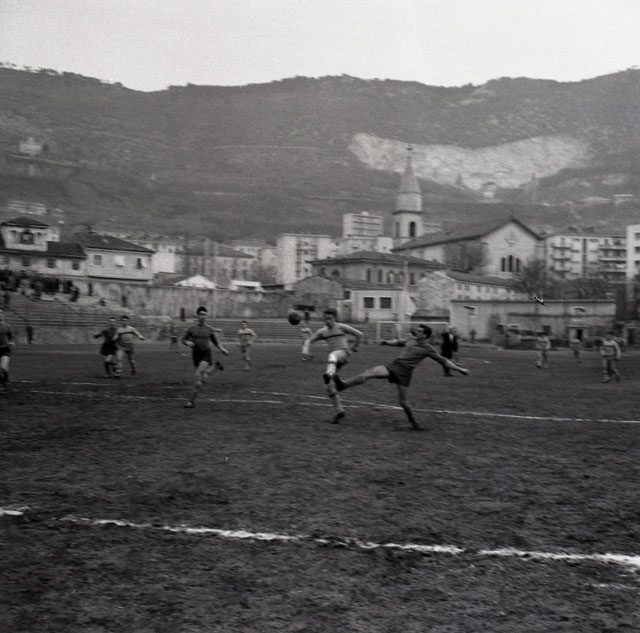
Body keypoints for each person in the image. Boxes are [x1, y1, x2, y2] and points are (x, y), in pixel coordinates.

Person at [333, 324, 469, 430]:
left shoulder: (428, 348)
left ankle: (414, 423)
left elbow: (444, 361)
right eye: (417, 330)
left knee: (403, 402)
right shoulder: (411, 339)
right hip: (394, 366)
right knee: (370, 373)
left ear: (425, 335)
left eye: (419, 331)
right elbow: (399, 342)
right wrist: (386, 342)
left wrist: (460, 369)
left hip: (405, 373)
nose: (416, 332)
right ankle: (343, 384)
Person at [307, 308, 362, 423]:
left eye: (330, 318)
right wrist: (306, 348)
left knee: (332, 355)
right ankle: (339, 411)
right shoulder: (323, 331)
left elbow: (358, 334)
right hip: (334, 361)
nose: (328, 321)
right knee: (328, 386)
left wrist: (355, 347)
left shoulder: (341, 327)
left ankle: (330, 374)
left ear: (335, 318)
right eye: (326, 319)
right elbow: (310, 340)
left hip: (343, 354)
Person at [181, 306, 229, 408]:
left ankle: (191, 401)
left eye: (205, 315)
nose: (204, 316)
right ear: (197, 315)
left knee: (198, 375)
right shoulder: (192, 329)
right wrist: (187, 343)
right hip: (195, 355)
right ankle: (216, 366)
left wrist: (222, 349)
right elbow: (183, 340)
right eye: (202, 314)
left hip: (206, 354)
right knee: (203, 377)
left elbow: (215, 342)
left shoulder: (209, 329)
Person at [0, 308, 15, 393]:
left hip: (5, 349)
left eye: (1, 313)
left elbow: (11, 337)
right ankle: (4, 383)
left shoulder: (7, 326)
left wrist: (11, 342)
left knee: (3, 367)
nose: (0, 315)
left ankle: (6, 380)